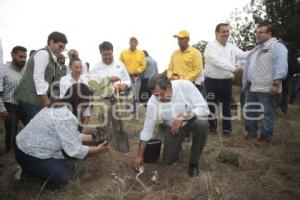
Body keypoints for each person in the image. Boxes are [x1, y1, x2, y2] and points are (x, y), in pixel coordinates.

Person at [15, 83, 109, 189]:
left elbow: (70, 135)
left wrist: (92, 137)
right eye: (84, 105)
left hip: (23, 147)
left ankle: (32, 169)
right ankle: (28, 173)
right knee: (64, 179)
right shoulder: (66, 116)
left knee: (70, 167)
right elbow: (74, 150)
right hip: (29, 153)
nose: (85, 108)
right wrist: (97, 150)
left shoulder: (59, 105)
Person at [133, 74, 209, 177]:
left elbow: (204, 108)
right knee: (168, 160)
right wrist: (140, 155)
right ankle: (178, 142)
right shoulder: (153, 102)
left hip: (192, 120)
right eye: (155, 95)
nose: (158, 98)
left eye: (161, 94)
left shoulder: (185, 86)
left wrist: (183, 116)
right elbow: (147, 129)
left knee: (202, 124)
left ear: (169, 88)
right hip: (172, 127)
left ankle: (194, 162)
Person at [243, 23, 288, 144]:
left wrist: (276, 83)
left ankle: (265, 137)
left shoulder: (277, 46)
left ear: (269, 34)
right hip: (252, 86)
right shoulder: (257, 49)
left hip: (267, 87)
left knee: (267, 113)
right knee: (250, 111)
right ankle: (251, 133)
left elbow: (281, 65)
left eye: (260, 32)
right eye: (256, 32)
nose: (257, 34)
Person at [14, 31, 68, 124]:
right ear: (51, 42)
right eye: (60, 46)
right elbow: (38, 77)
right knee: (34, 129)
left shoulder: (53, 58)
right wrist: (44, 98)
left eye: (63, 48)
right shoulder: (44, 54)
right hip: (30, 100)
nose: (61, 49)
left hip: (35, 100)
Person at [204, 23, 246, 137]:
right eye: (223, 31)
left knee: (226, 105)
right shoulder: (210, 46)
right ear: (216, 33)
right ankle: (212, 127)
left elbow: (243, 54)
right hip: (211, 81)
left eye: (227, 31)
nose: (226, 34)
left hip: (226, 81)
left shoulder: (231, 46)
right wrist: (233, 69)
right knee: (212, 104)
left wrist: (255, 51)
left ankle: (227, 130)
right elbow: (216, 61)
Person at [89, 41, 131, 142]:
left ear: (112, 52)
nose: (107, 56)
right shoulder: (96, 67)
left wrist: (125, 85)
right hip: (103, 99)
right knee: (103, 121)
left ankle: (119, 140)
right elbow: (93, 86)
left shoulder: (120, 65)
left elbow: (127, 79)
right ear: (101, 53)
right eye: (105, 54)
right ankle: (103, 141)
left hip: (118, 98)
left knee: (118, 120)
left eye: (109, 54)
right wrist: (108, 79)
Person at [0, 46, 27, 153]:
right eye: (20, 57)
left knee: (32, 125)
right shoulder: (3, 69)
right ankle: (10, 158)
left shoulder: (25, 70)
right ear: (12, 55)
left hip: (24, 104)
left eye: (25, 57)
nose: (23, 59)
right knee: (11, 134)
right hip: (10, 105)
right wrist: (2, 109)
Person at [60, 58, 90, 126]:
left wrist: (87, 114)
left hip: (82, 113)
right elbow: (63, 99)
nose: (79, 70)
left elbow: (87, 99)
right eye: (76, 67)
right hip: (68, 113)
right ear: (70, 67)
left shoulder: (85, 80)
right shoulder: (64, 80)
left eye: (80, 67)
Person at [120, 37, 146, 107]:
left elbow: (144, 65)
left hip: (136, 77)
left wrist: (138, 70)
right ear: (129, 42)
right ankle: (123, 111)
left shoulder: (141, 53)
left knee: (136, 95)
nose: (133, 43)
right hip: (126, 77)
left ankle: (135, 113)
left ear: (137, 43)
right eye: (131, 41)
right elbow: (120, 65)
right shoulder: (123, 52)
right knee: (124, 94)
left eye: (135, 42)